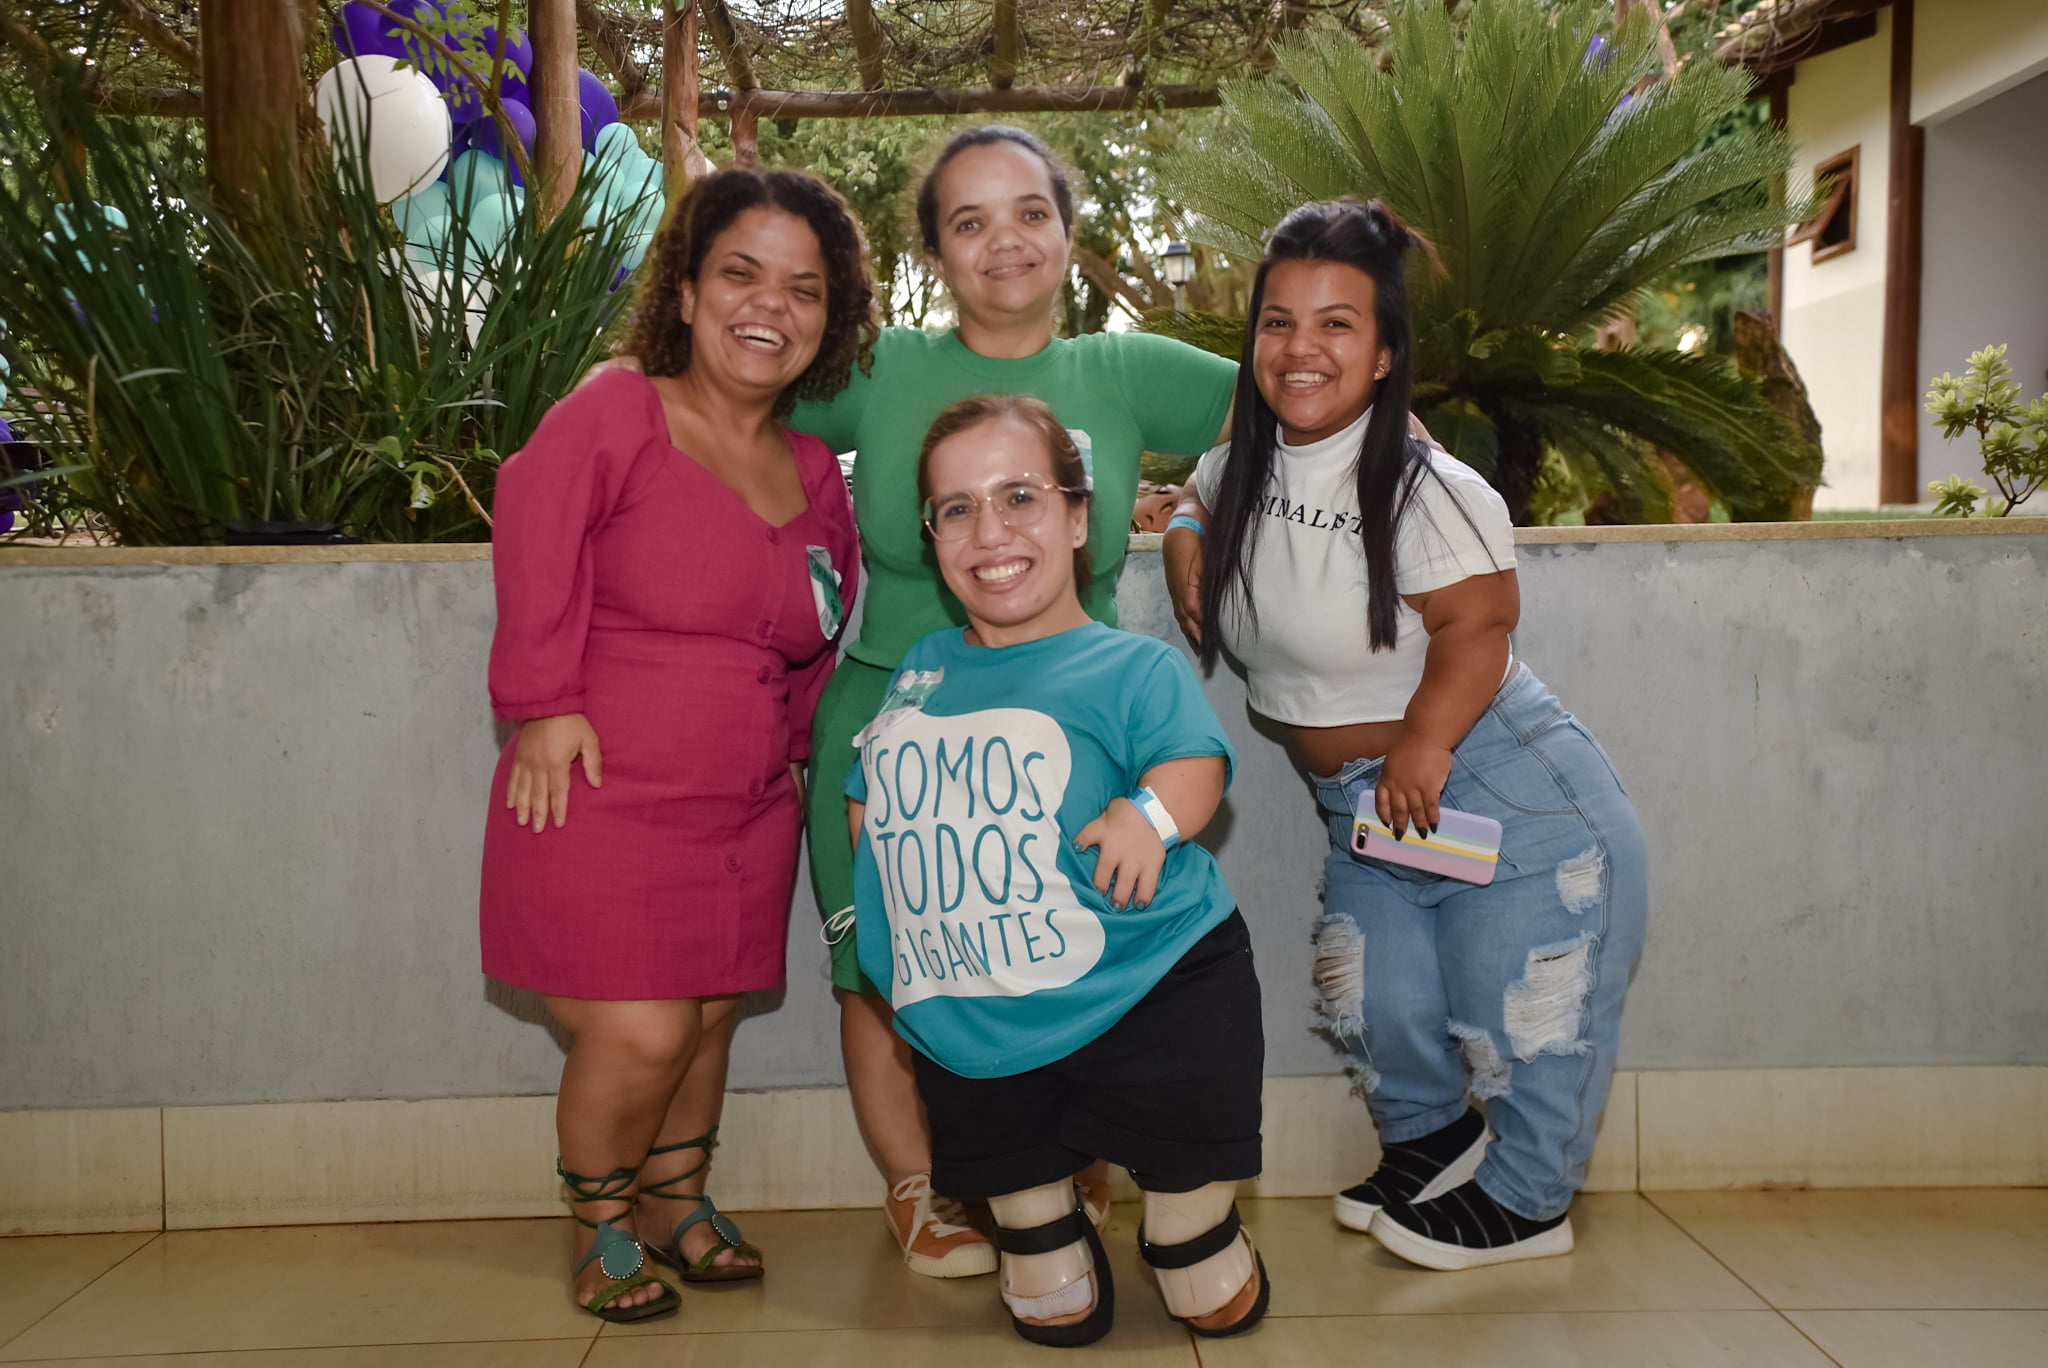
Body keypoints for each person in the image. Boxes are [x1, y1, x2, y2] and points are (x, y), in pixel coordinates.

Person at [1164, 199, 1647, 1271]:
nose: (1300, 348)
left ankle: (1527, 1199)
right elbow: (1192, 496)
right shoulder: (1243, 462)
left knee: (1517, 1005)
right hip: (1362, 813)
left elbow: (1478, 623)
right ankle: (1433, 1142)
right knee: (1372, 993)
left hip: (1491, 786)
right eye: (1278, 321)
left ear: (1385, 353)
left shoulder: (1426, 485)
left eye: (1336, 324)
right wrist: (1185, 540)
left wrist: (1425, 742)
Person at [480, 167, 875, 1321]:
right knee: (643, 1022)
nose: (771, 306)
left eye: (804, 288)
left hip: (748, 802)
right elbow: (532, 525)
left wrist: (801, 756)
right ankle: (600, 1221)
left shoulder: (809, 470)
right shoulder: (617, 407)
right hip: (599, 784)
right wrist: (542, 701)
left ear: (830, 317)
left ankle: (675, 1198)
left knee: (705, 1016)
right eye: (740, 274)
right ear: (689, 292)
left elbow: (813, 629)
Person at [846, 394, 1268, 1346]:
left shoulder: (1131, 667)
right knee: (1042, 1271)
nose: (988, 530)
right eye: (956, 507)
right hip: (979, 994)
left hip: (1150, 981)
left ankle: (1188, 1229)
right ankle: (1042, 1219)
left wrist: (1148, 815)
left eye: (1020, 496)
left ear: (1079, 518)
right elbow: (871, 774)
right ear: (932, 536)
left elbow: (1198, 768)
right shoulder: (919, 666)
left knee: (1200, 1272)